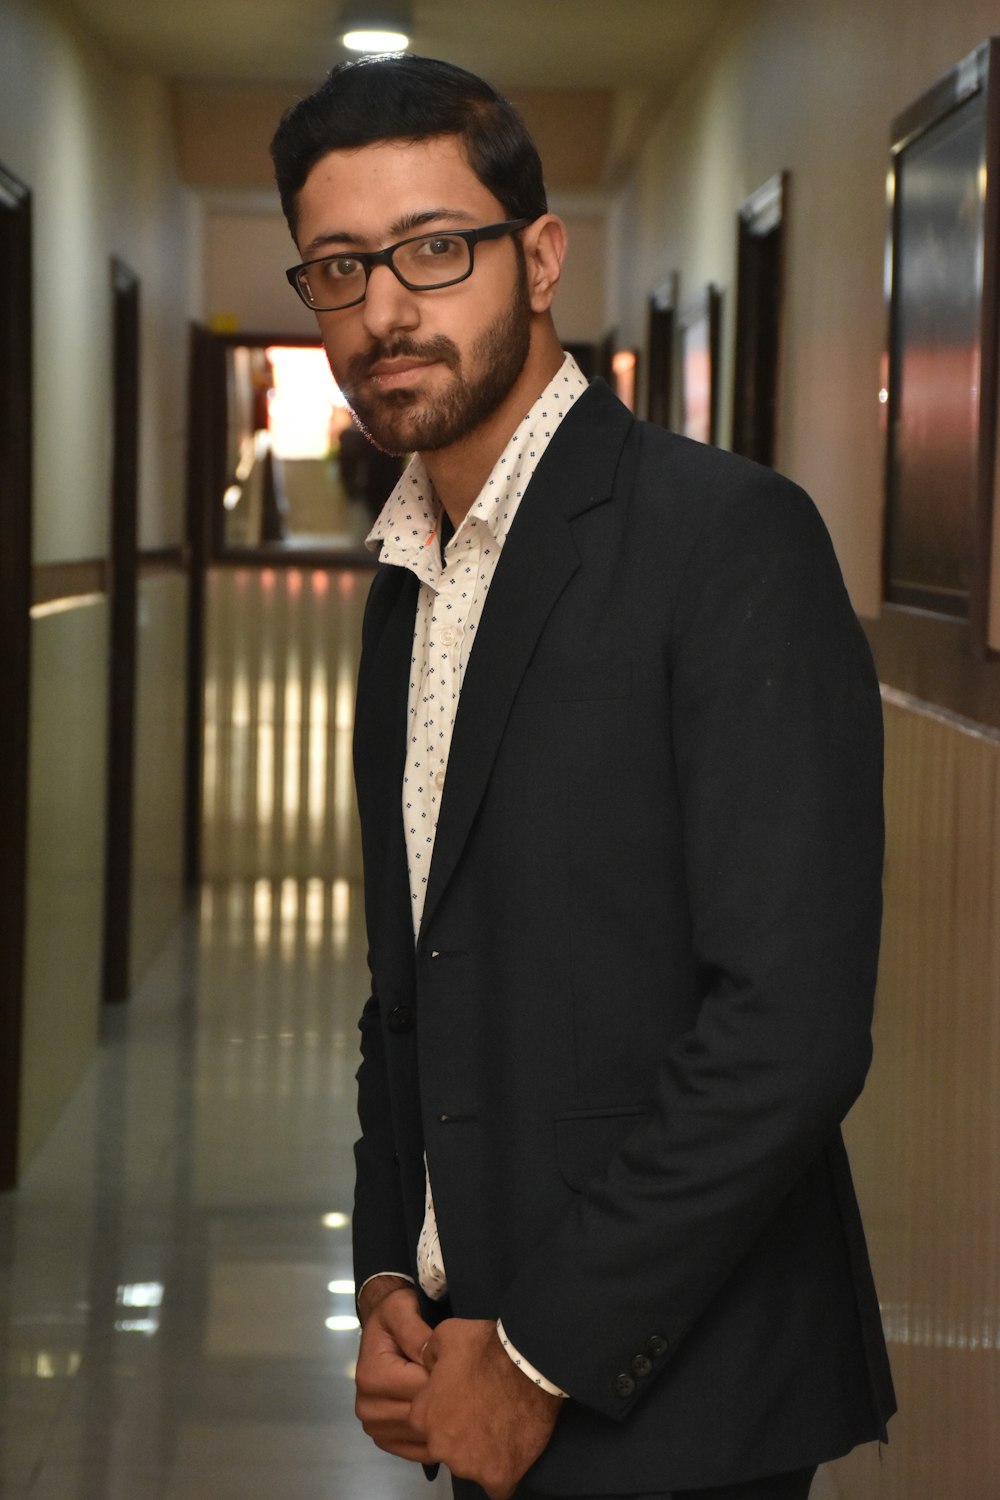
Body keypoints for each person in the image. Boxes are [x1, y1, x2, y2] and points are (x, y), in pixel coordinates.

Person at [270, 54, 895, 1500]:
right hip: (468, 1357)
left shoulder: (725, 540)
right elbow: (409, 982)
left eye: (435, 248)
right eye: (338, 267)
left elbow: (787, 1032)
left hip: (674, 1395)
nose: (384, 310)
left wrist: (541, 1353)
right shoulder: (406, 576)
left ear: (540, 257)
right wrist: (389, 1270)